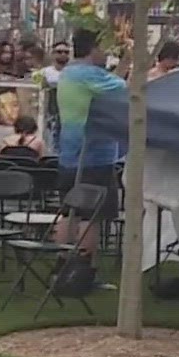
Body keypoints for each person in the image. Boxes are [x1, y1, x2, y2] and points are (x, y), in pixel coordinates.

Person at [53, 28, 127, 257]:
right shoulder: (90, 75)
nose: (106, 55)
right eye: (103, 49)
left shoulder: (68, 73)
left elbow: (115, 83)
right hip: (94, 156)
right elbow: (126, 89)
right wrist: (129, 60)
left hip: (68, 156)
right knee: (90, 216)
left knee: (68, 212)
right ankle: (84, 270)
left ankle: (63, 264)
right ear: (93, 49)